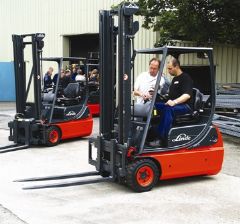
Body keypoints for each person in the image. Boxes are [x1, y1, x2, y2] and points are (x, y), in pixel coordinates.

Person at [153, 58, 193, 146]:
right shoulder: (175, 79)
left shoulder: (185, 78)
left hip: (185, 106)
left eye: (170, 69)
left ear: (177, 67)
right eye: (168, 68)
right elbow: (170, 95)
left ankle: (162, 138)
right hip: (173, 104)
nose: (168, 71)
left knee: (168, 109)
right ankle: (151, 133)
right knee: (154, 106)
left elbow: (187, 95)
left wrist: (174, 102)